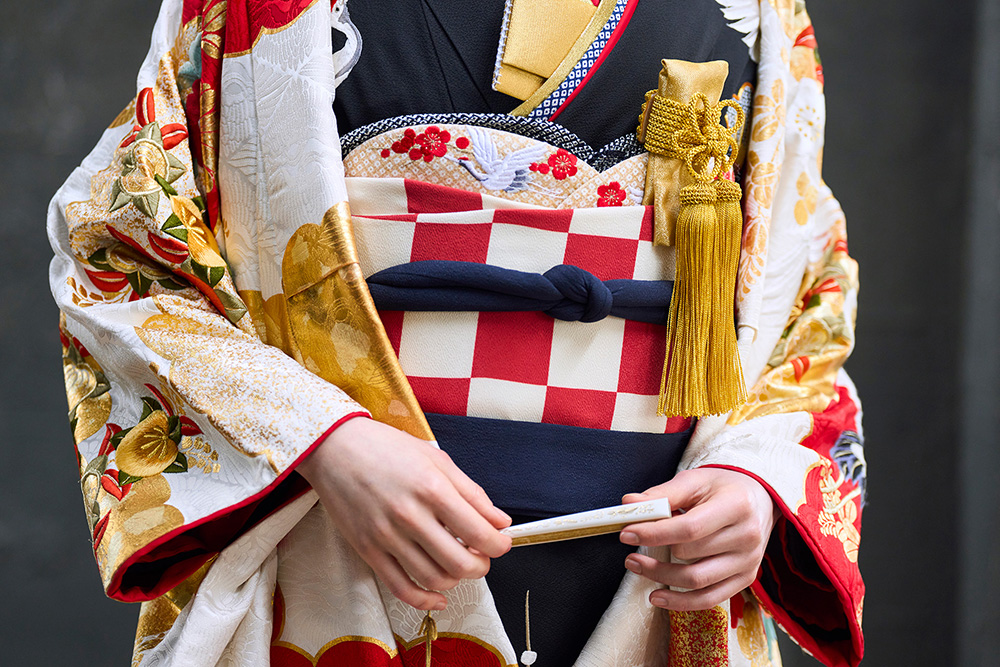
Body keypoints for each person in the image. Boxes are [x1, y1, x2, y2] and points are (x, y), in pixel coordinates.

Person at [49, 1, 865, 665]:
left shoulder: (758, 10)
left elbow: (800, 286)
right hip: (337, 538)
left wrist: (755, 480)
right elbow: (118, 245)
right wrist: (325, 441)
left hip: (647, 566)